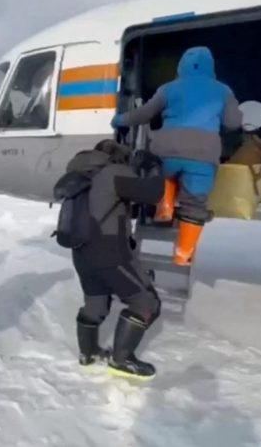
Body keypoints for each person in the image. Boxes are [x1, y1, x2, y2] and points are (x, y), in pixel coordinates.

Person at [111, 46, 243, 265]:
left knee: (163, 172)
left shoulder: (168, 88)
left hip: (167, 149)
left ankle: (165, 205)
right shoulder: (223, 90)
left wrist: (120, 120)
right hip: (203, 154)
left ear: (181, 65)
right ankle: (183, 254)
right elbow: (233, 123)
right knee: (195, 203)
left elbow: (145, 113)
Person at [66, 140, 163, 379]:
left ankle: (87, 353)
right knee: (146, 302)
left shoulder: (80, 175)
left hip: (81, 253)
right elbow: (152, 194)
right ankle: (121, 360)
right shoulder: (113, 172)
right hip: (110, 253)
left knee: (96, 305)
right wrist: (154, 167)